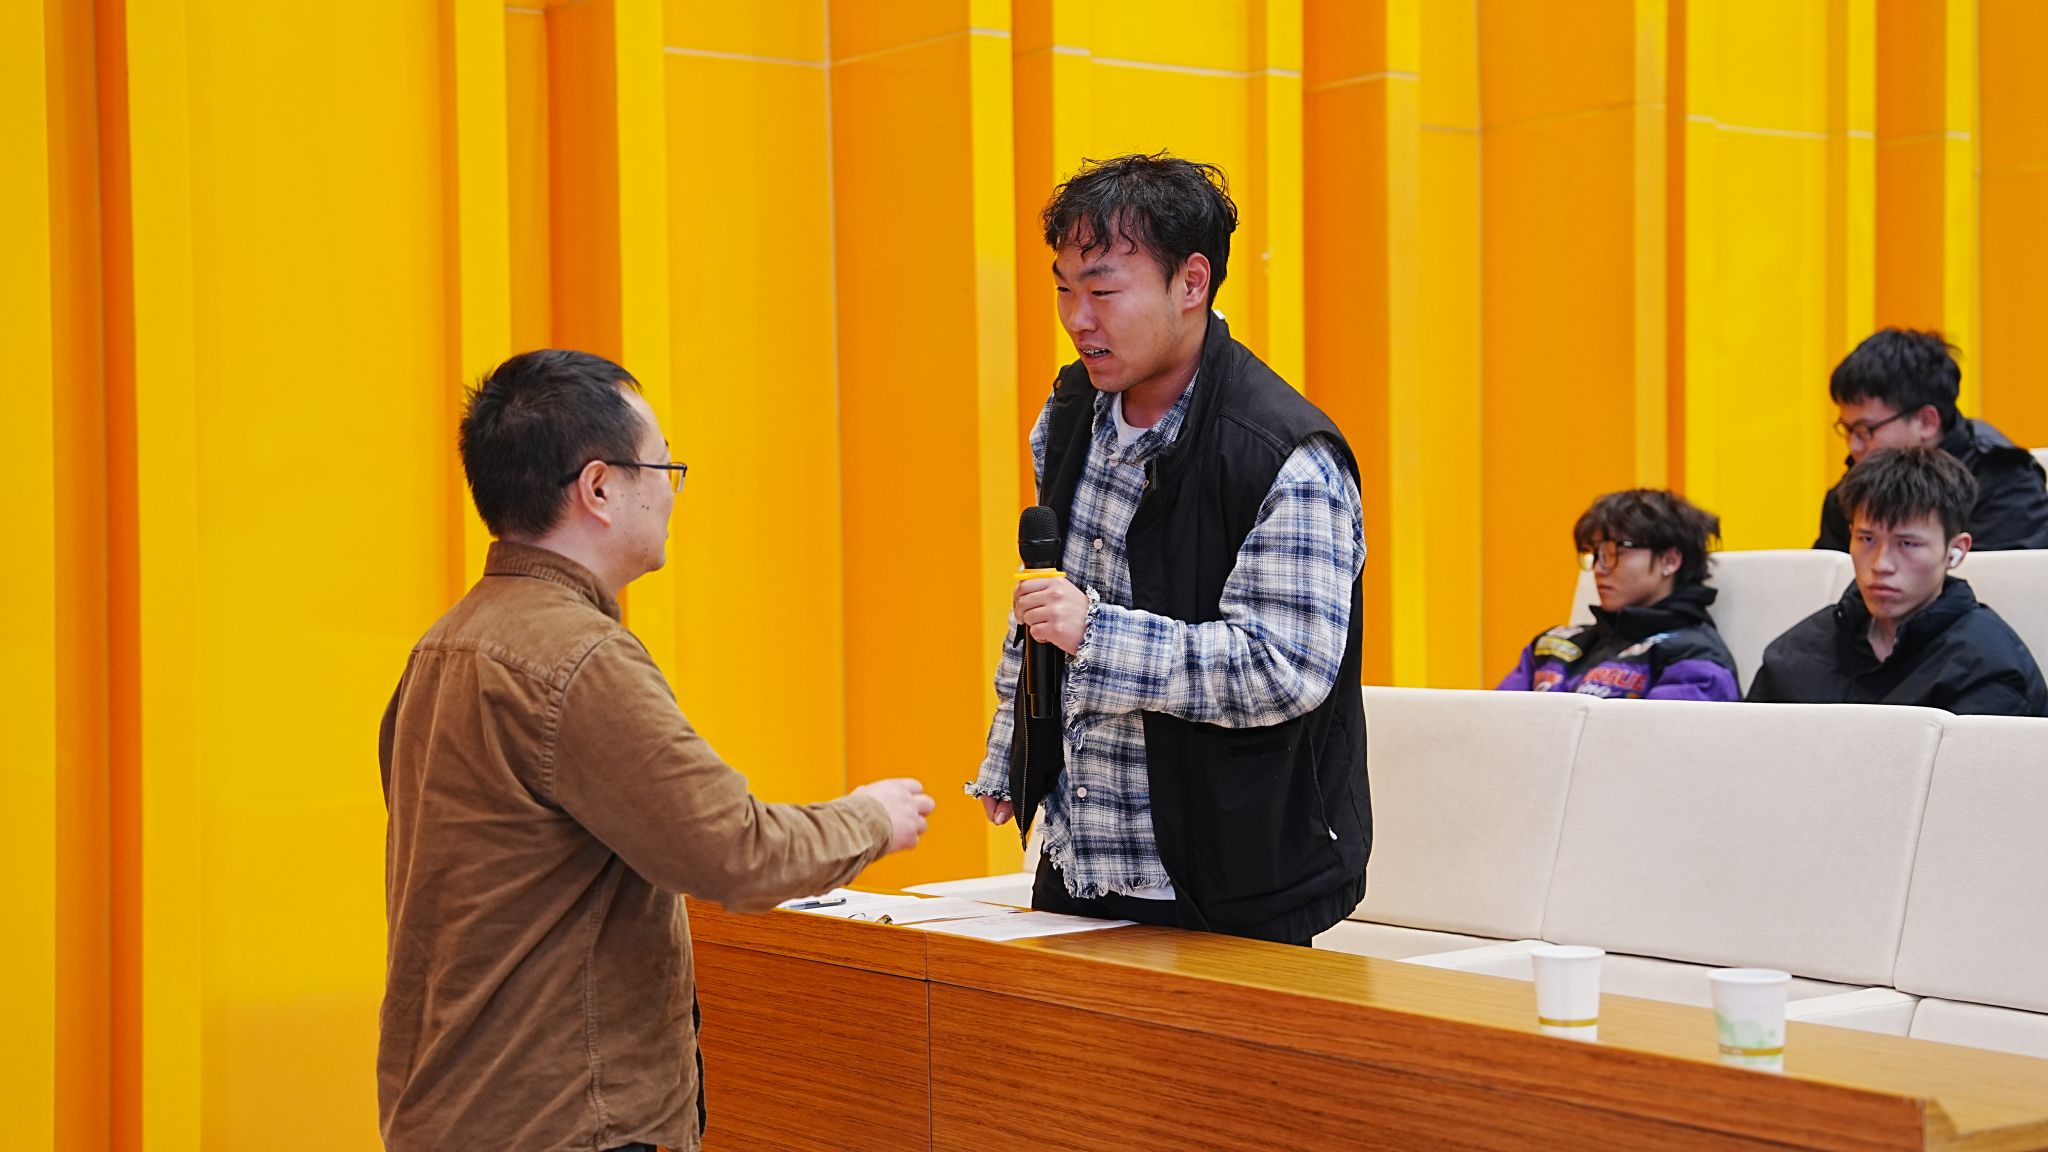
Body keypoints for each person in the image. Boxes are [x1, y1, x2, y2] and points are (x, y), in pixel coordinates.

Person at [378, 350, 936, 1152]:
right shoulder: (579, 660)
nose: (672, 493)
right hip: (567, 1124)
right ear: (599, 488)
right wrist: (871, 819)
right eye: (664, 469)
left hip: (450, 1114)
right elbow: (734, 851)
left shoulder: (442, 647)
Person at [966, 153, 1370, 948]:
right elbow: (1044, 601)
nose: (1078, 318)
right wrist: (1014, 746)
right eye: (1063, 289)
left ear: (1191, 282)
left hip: (1234, 884)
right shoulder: (1070, 412)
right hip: (1081, 864)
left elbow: (1284, 668)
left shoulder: (1282, 453)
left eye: (1103, 291)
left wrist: (1097, 634)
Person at [1751, 446, 2048, 715]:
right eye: (1866, 539)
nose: (1881, 565)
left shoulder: (1989, 668)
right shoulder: (1796, 653)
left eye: (1907, 544)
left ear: (1955, 550)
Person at [1814, 328, 2048, 551]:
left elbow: (2001, 577)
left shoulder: (2007, 484)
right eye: (1848, 430)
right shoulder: (1849, 493)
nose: (1853, 446)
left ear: (1926, 422)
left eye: (1865, 430)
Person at [1498, 490, 1739, 700]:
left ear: (1670, 560)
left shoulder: (1695, 659)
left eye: (1615, 552)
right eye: (1596, 553)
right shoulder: (1550, 645)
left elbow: (1654, 738)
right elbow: (1494, 723)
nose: (1599, 568)